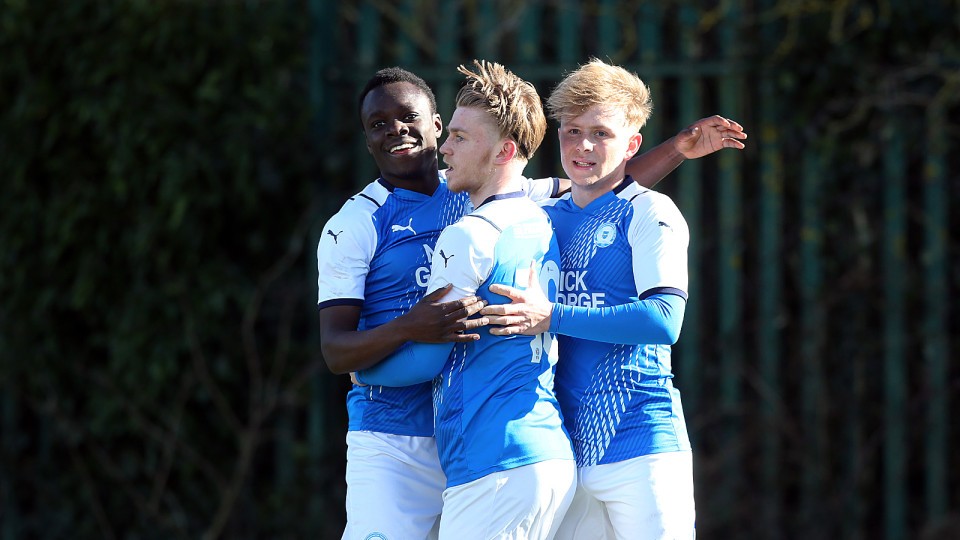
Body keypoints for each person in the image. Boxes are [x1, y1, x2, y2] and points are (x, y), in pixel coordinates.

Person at [317, 65, 745, 539]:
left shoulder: (476, 193)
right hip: (398, 435)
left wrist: (676, 150)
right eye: (378, 124)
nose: (395, 130)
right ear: (365, 137)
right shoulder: (356, 222)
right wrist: (404, 330)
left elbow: (600, 189)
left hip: (492, 439)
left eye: (409, 117)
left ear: (435, 125)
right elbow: (336, 349)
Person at [481, 59, 703, 539]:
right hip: (565, 451)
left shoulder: (651, 211)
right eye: (572, 130)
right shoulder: (539, 213)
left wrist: (552, 316)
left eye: (601, 133)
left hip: (642, 443)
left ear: (632, 144)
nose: (582, 146)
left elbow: (665, 319)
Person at [355, 59, 577, 539]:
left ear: (504, 152)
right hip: (544, 452)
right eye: (449, 133)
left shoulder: (468, 235)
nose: (445, 149)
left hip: (494, 460)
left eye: (460, 137)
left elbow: (426, 361)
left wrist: (362, 370)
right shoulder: (543, 219)